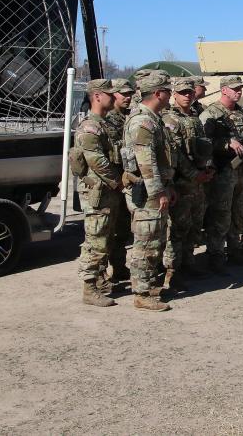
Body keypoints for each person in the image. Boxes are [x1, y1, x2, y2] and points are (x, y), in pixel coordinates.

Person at [122, 73, 175, 311]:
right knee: (145, 242)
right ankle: (141, 293)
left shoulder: (153, 119)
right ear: (157, 93)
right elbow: (146, 164)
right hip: (146, 192)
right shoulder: (143, 122)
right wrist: (158, 193)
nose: (170, 94)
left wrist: (168, 186)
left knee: (155, 241)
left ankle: (149, 284)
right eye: (167, 90)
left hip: (155, 188)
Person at [200, 75, 243, 271]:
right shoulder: (211, 113)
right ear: (223, 90)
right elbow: (202, 143)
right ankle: (215, 255)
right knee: (221, 214)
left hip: (241, 170)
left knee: (239, 212)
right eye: (234, 88)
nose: (239, 91)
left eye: (240, 88)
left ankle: (235, 250)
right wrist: (225, 143)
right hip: (223, 172)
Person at [162, 78, 215, 287]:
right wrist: (194, 174)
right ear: (174, 95)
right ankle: (171, 271)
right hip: (182, 182)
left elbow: (204, 146)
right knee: (177, 228)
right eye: (183, 92)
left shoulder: (195, 117)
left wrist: (208, 167)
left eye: (190, 92)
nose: (187, 96)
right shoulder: (169, 119)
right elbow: (175, 154)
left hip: (198, 182)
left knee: (194, 225)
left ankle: (189, 261)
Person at [75, 79, 123, 307]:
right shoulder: (90, 126)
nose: (114, 98)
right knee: (95, 241)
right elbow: (97, 161)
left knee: (105, 238)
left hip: (108, 192)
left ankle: (100, 281)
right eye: (109, 94)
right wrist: (119, 181)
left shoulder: (104, 123)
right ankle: (89, 287)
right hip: (99, 192)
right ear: (96, 96)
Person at [99, 78, 134, 287]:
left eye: (130, 94)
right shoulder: (108, 120)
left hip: (126, 182)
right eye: (124, 94)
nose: (128, 97)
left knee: (123, 229)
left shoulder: (129, 117)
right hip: (112, 183)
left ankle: (119, 268)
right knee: (105, 232)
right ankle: (101, 275)